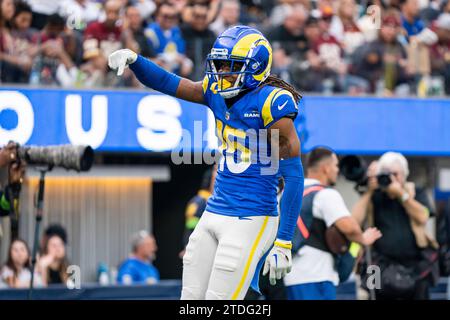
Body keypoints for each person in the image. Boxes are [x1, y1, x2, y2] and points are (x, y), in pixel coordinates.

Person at [108, 25, 305, 300]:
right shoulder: (214, 90)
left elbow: (294, 176)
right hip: (215, 210)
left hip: (251, 215)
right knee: (190, 299)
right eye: (220, 64)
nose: (222, 72)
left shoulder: (271, 103)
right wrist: (136, 61)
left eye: (231, 66)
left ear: (256, 66)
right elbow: (171, 83)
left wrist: (284, 241)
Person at [283, 147, 382, 300]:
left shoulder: (286, 193)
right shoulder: (325, 194)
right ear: (326, 168)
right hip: (317, 277)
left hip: (290, 276)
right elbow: (349, 227)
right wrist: (363, 239)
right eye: (336, 166)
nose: (338, 171)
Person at [353, 152, 438, 300]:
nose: (391, 178)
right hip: (379, 265)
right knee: (374, 293)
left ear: (405, 175)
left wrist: (401, 195)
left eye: (395, 174)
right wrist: (369, 191)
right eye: (387, 174)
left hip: (414, 265)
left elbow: (423, 217)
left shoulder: (416, 192)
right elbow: (354, 220)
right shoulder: (375, 194)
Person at [144, 2, 192, 76]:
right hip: (154, 75)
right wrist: (170, 58)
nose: (169, 19)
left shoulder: (178, 31)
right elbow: (146, 58)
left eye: (173, 16)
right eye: (165, 16)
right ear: (158, 16)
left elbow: (183, 55)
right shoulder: (150, 32)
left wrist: (185, 62)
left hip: (176, 77)